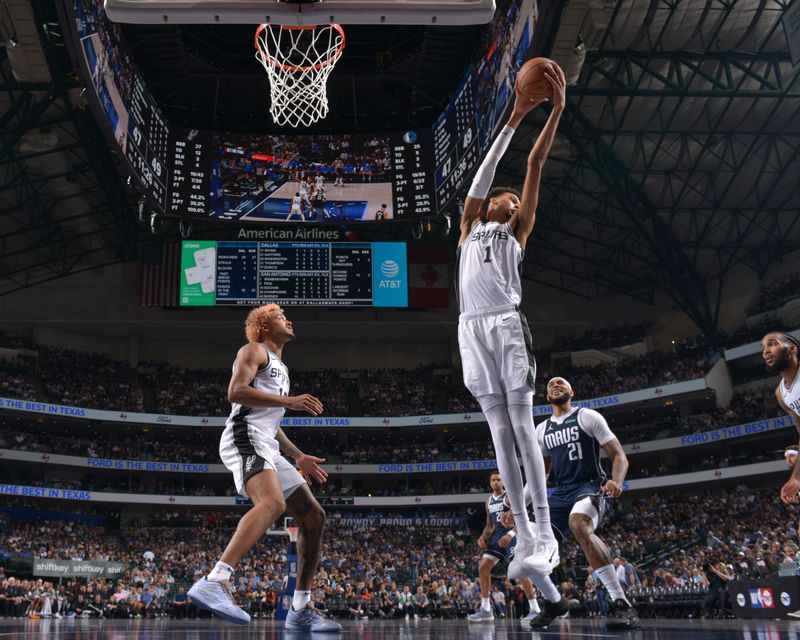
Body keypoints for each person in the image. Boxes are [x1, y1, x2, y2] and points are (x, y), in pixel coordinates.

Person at [456, 61, 566, 580]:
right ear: (491, 203)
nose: (515, 199)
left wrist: (555, 111)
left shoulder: (516, 230)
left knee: (523, 427)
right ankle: (522, 536)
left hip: (504, 321)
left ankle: (545, 531)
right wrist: (514, 116)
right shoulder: (470, 225)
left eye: (517, 199)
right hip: (469, 328)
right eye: (509, 196)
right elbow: (484, 174)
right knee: (498, 432)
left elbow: (536, 165)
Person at [187, 304, 340, 632]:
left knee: (314, 517)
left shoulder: (281, 367)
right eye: (280, 316)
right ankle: (217, 579)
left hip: (267, 443)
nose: (289, 319)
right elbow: (236, 393)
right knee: (272, 504)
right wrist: (290, 401)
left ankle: (300, 608)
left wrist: (298, 455)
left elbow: (268, 419)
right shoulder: (253, 349)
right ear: (263, 326)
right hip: (244, 437)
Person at [504, 377, 640, 629]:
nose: (555, 385)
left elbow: (618, 455)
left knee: (578, 524)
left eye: (561, 383)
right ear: (546, 396)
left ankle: (621, 602)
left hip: (589, 486)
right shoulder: (541, 429)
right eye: (551, 385)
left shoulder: (587, 416)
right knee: (530, 544)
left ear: (571, 391)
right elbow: (539, 475)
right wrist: (517, 507)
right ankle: (554, 601)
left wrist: (617, 480)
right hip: (561, 492)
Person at [468, 472, 540, 623]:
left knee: (520, 570)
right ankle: (486, 610)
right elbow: (490, 525)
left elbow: (522, 519)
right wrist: (483, 537)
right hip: (497, 538)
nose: (495, 482)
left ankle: (535, 609)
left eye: (498, 480)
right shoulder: (488, 501)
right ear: (490, 483)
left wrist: (511, 535)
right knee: (483, 567)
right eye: (493, 480)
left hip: (513, 536)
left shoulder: (509, 497)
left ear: (503, 482)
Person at [762, 332, 800, 503]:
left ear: (792, 349)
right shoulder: (781, 394)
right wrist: (796, 478)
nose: (765, 351)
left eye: (772, 344)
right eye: (763, 348)